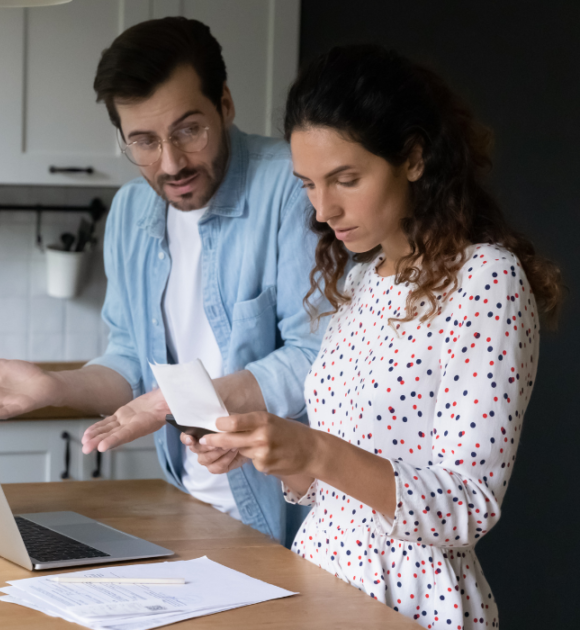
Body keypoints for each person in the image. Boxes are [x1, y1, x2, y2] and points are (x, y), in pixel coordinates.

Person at [194, 45, 564, 628]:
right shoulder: (364, 279)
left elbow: (468, 505)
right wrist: (269, 451)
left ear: (413, 158)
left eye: (346, 179)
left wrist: (314, 449)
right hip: (322, 582)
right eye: (309, 185)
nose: (324, 210)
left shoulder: (486, 281)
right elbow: (341, 492)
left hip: (414, 600)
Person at [0, 17, 325, 545]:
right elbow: (130, 362)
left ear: (225, 105)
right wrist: (56, 388)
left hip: (295, 511)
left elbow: (315, 356)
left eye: (190, 130)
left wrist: (181, 400)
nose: (171, 163)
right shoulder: (130, 210)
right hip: (190, 501)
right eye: (143, 141)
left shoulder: (291, 186)